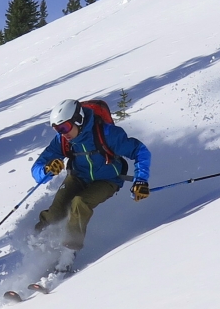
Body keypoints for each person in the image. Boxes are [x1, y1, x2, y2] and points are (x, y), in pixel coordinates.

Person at [30, 99, 151, 275]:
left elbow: (140, 151)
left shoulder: (107, 134)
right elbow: (37, 168)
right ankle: (37, 246)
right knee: (56, 213)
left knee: (79, 203)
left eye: (64, 128)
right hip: (79, 176)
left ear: (78, 120)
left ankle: (68, 255)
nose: (62, 133)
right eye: (57, 129)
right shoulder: (63, 140)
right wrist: (46, 170)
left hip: (108, 179)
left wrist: (141, 179)